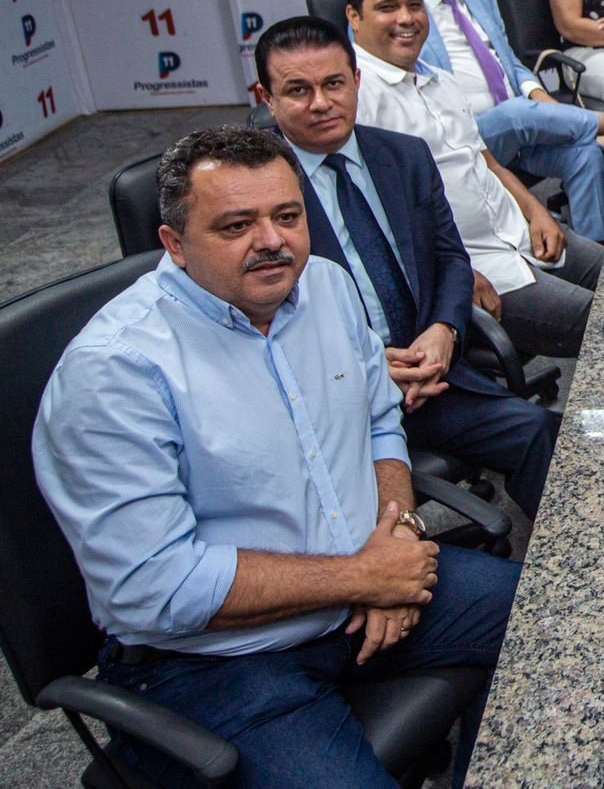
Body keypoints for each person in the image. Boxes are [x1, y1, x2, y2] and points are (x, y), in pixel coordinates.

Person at [33, 126, 520, 788]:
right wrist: (364, 578)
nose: (272, 241)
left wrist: (399, 538)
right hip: (217, 660)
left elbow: (380, 423)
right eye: (236, 225)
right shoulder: (114, 373)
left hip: (366, 579)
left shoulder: (327, 287)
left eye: (288, 216)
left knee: (568, 620)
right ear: (174, 244)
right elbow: (154, 586)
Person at [257, 15, 558, 523]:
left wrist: (443, 330)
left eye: (334, 83)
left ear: (357, 80)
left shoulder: (404, 155)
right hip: (329, 402)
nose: (321, 102)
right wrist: (368, 368)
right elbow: (255, 324)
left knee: (543, 435)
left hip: (430, 377)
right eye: (298, 90)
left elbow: (450, 258)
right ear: (267, 99)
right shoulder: (256, 193)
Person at [345, 0, 603, 359]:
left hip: (520, 233)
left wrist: (536, 211)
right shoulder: (356, 98)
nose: (406, 18)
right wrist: (456, 277)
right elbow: (379, 224)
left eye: (414, 5)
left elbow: (489, 163)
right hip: (479, 267)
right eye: (387, 7)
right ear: (354, 17)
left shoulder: (442, 81)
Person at [399, 0, 604, 234]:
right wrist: (531, 109)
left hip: (519, 127)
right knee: (515, 114)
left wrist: (537, 94)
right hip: (468, 134)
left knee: (586, 154)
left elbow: (509, 60)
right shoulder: (399, 12)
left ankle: (596, 251)